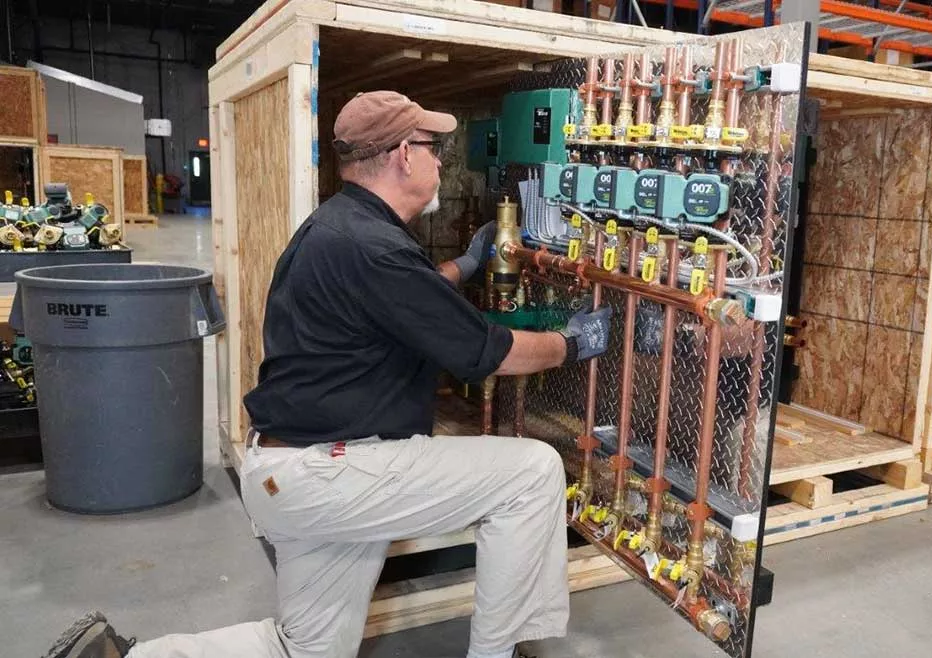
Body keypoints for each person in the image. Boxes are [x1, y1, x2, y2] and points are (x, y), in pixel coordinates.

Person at [42, 91, 613, 658]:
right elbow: (486, 352)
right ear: (403, 156)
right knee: (532, 472)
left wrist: (464, 265)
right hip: (330, 472)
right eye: (433, 147)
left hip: (288, 472)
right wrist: (573, 342)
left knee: (309, 649)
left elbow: (405, 300)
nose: (441, 161)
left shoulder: (340, 227)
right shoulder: (373, 246)